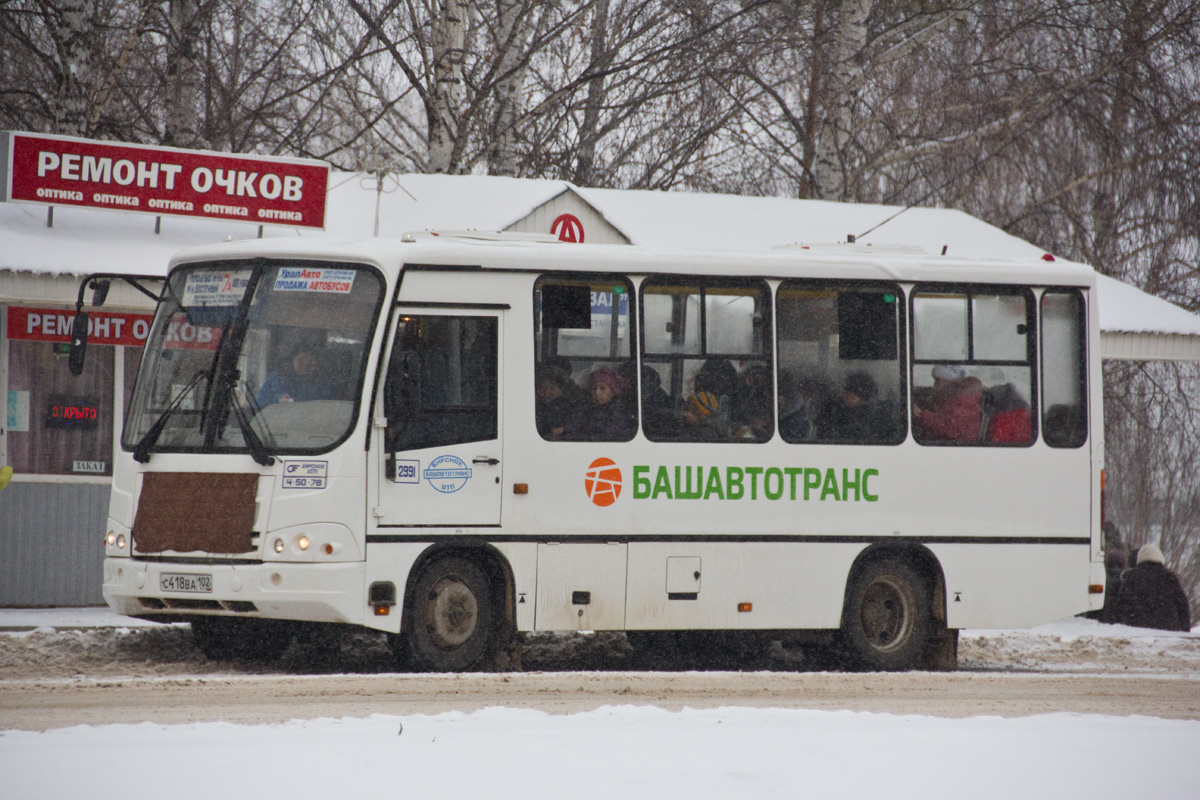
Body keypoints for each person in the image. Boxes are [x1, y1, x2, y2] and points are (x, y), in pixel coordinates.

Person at [1110, 544, 1192, 632]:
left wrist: (1122, 624)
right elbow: (1182, 605)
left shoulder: (1132, 576)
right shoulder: (1169, 576)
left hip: (1138, 629)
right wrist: (1184, 629)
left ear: (1140, 558)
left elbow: (1122, 603)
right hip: (1169, 630)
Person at [913, 364, 982, 442]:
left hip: (956, 447)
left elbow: (950, 429)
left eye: (938, 380)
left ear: (949, 381)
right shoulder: (952, 398)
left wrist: (921, 415)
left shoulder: (963, 400)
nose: (935, 384)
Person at [568, 367, 635, 441]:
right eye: (594, 388)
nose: (597, 393)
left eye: (602, 388)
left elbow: (605, 436)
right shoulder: (586, 408)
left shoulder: (619, 412)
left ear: (613, 392)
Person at [829, 371, 892, 443]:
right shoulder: (881, 414)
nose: (845, 395)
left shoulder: (850, 417)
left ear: (858, 395)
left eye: (849, 392)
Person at [256, 347, 333, 405]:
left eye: (310, 360)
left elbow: (326, 408)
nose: (305, 363)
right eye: (300, 359)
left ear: (316, 363)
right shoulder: (276, 379)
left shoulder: (322, 383)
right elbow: (260, 408)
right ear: (292, 360)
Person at [535, 364, 583, 438]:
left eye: (552, 388)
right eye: (542, 388)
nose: (546, 393)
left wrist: (565, 430)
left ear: (561, 390)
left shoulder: (570, 408)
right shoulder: (534, 405)